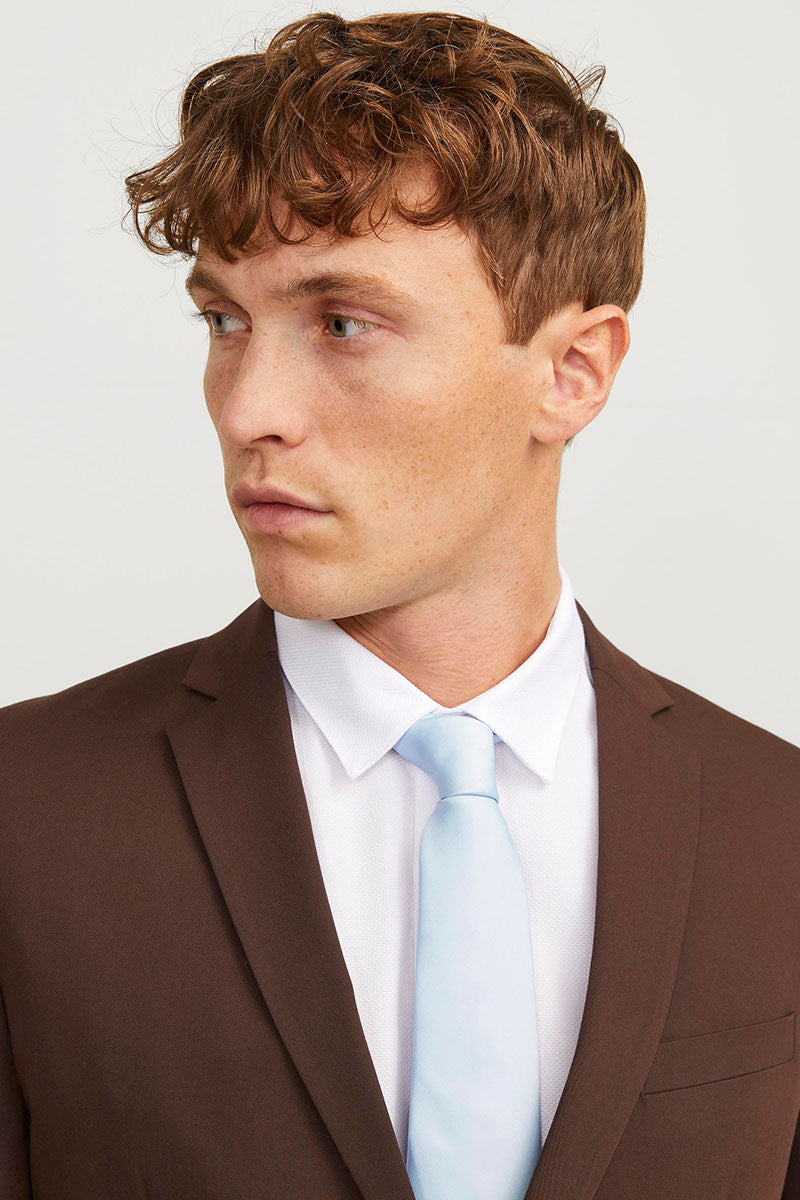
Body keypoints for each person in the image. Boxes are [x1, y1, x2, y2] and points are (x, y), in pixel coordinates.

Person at [1, 10, 798, 1199]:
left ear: (571, 372)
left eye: (342, 324)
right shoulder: (25, 811)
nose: (246, 409)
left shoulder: (774, 824)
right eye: (224, 321)